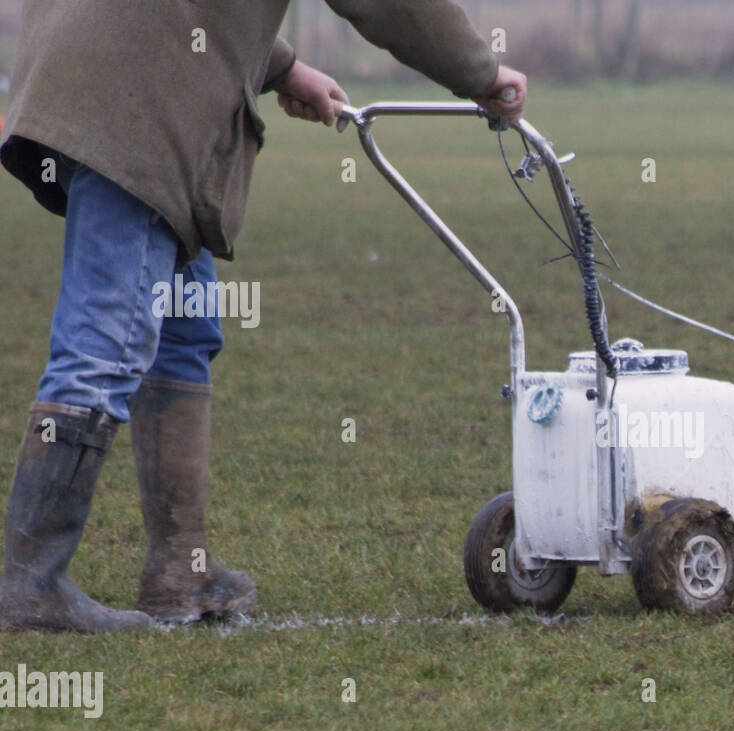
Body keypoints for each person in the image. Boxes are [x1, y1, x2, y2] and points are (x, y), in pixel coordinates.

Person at [0, 1, 526, 632]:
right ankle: (32, 585)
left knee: (182, 326)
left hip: (87, 62)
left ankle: (179, 567)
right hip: (140, 92)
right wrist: (482, 73)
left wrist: (282, 67)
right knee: (105, 345)